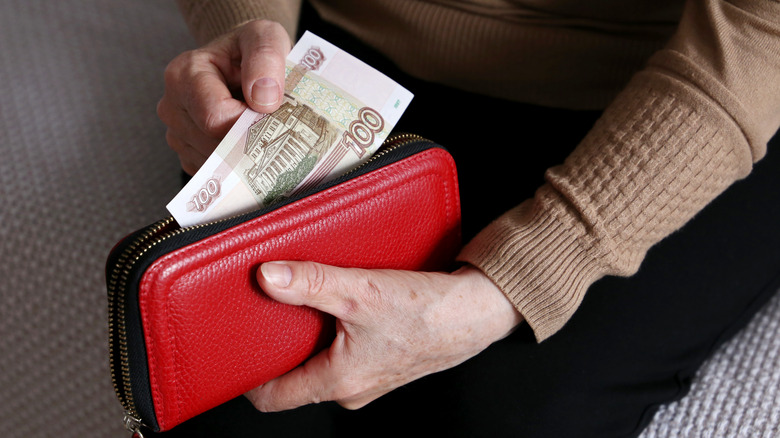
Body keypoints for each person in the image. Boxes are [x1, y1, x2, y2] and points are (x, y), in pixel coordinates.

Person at [153, 0, 780, 436]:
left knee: (508, 416)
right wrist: (241, 32)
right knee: (225, 400)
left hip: (676, 96)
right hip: (338, 55)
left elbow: (760, 33)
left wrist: (528, 275)